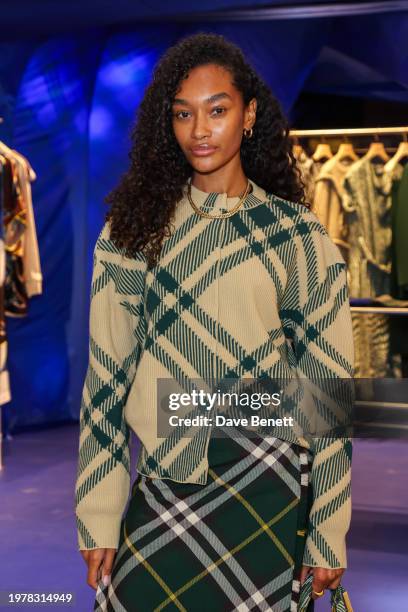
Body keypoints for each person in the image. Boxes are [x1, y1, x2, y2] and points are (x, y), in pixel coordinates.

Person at [75, 32, 354, 612]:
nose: (200, 130)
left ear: (249, 115)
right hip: (168, 481)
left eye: (217, 110)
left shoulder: (299, 238)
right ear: (167, 125)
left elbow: (326, 394)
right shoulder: (132, 234)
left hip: (270, 488)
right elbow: (106, 382)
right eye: (183, 114)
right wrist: (99, 513)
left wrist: (328, 525)